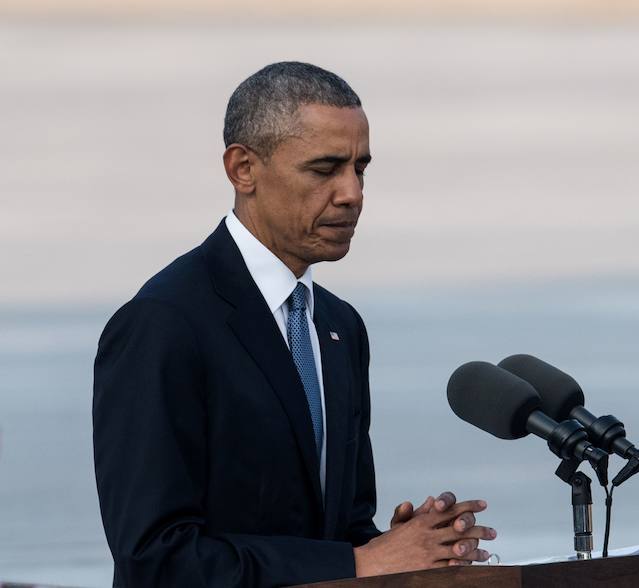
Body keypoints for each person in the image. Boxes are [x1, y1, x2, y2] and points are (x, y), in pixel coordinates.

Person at [93, 62, 495, 587]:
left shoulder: (338, 326)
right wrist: (359, 563)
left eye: (360, 168)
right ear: (243, 169)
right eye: (325, 169)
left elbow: (332, 534)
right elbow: (156, 559)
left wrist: (400, 546)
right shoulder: (163, 324)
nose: (352, 193)